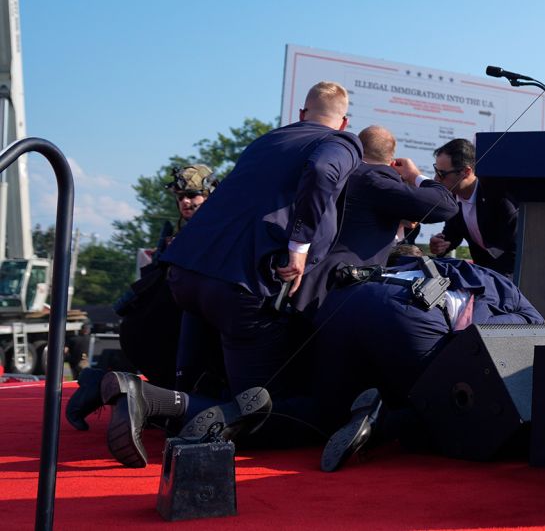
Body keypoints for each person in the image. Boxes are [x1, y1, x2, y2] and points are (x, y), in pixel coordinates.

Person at [131, 81, 362, 463]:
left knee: (197, 377)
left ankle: (154, 402)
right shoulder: (343, 143)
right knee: (256, 414)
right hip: (239, 286)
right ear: (344, 122)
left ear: (302, 115)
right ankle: (143, 398)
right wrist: (299, 246)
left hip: (189, 272)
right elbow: (322, 170)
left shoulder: (267, 141)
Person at [314, 245, 544, 471]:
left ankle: (280, 417)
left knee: (324, 410)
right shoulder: (506, 292)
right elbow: (478, 335)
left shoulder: (401, 267)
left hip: (341, 302)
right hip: (408, 311)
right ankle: (381, 424)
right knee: (442, 409)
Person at [66, 163, 222, 431]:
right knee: (189, 406)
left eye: (193, 195)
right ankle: (104, 387)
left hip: (169, 331)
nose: (185, 202)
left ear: (210, 194)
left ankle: (101, 386)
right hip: (163, 332)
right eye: (180, 197)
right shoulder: (189, 236)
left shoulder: (205, 231)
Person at [293, 125, 459, 315]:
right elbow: (446, 205)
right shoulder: (376, 182)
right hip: (339, 295)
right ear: (390, 160)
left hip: (299, 283)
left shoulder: (330, 172)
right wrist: (413, 175)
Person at [428, 138, 518, 276]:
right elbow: (453, 232)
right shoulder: (452, 198)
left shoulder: (500, 198)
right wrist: (441, 244)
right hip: (483, 271)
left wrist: (491, 280)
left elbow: (516, 249)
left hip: (512, 276)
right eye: (436, 171)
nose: (436, 179)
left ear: (466, 172)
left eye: (442, 174)